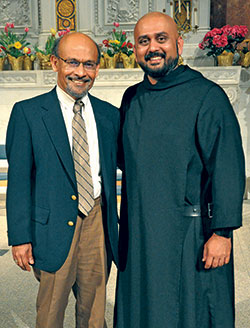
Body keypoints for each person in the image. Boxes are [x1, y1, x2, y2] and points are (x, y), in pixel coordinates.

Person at [114, 12, 245, 328]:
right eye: (144, 41)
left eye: (161, 39)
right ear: (134, 48)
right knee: (143, 308)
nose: (153, 48)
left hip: (188, 235)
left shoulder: (207, 96)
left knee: (188, 311)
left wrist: (222, 233)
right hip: (141, 231)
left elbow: (227, 166)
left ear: (178, 43)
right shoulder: (131, 98)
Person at [6, 32, 119, 328]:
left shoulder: (110, 116)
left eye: (89, 64)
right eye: (72, 62)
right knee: (51, 311)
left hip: (97, 220)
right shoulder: (28, 113)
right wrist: (20, 238)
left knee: (94, 311)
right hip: (52, 226)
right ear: (55, 62)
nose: (80, 72)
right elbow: (19, 181)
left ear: (98, 68)